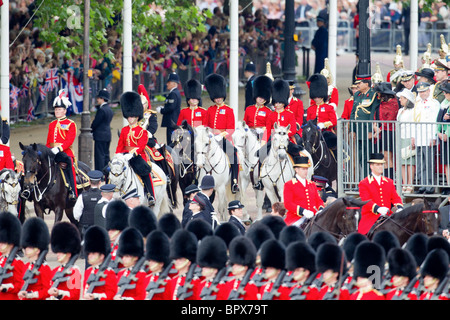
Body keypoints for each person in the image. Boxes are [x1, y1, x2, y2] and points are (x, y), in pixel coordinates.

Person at [116, 91, 155, 205]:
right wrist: (118, 155)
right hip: (125, 155)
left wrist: (132, 154)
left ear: (137, 116)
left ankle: (150, 194)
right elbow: (120, 145)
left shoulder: (142, 131)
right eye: (128, 116)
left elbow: (141, 146)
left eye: (132, 116)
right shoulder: (124, 130)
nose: (130, 118)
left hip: (138, 156)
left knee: (144, 171)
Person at [204, 73, 240, 193]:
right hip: (211, 138)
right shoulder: (210, 110)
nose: (218, 99)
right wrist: (209, 134)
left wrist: (220, 136)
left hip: (224, 139)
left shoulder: (229, 110)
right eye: (216, 97)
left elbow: (231, 128)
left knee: (233, 154)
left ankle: (234, 181)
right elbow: (206, 125)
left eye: (219, 97)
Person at [357, 153, 404, 235]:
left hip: (388, 215)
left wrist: (400, 208)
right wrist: (378, 209)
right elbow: (366, 200)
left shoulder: (389, 182)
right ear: (371, 166)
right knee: (366, 234)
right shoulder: (364, 183)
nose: (380, 167)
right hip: (370, 217)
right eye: (377, 165)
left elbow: (395, 197)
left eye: (381, 164)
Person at [46, 89, 78, 201]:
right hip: (52, 152)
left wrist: (59, 148)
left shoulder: (70, 124)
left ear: (64, 111)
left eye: (60, 109)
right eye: (56, 109)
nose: (57, 111)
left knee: (69, 166)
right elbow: (48, 141)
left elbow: (69, 140)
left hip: (65, 152)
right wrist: (48, 150)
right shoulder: (52, 124)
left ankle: (73, 192)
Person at [411, 82, 440, 194]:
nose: (422, 94)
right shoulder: (417, 103)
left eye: (424, 91)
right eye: (420, 92)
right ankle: (422, 185)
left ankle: (430, 186)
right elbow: (414, 121)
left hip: (428, 137)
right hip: (419, 137)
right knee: (420, 163)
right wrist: (413, 136)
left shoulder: (434, 103)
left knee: (429, 163)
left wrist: (433, 137)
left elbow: (434, 121)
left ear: (429, 91)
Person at [350, 74, 380, 179]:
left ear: (366, 84)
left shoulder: (373, 95)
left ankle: (369, 178)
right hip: (358, 130)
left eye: (360, 83)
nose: (357, 85)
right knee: (360, 157)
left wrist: (371, 130)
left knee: (368, 156)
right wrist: (352, 130)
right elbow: (353, 113)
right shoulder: (357, 95)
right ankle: (364, 179)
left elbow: (373, 113)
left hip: (367, 130)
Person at [283, 155, 324, 226]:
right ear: (296, 170)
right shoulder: (289, 184)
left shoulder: (312, 184)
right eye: (303, 169)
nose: (306, 171)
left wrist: (320, 210)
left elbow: (318, 200)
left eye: (306, 169)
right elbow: (288, 204)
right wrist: (303, 211)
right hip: (296, 218)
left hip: (313, 217)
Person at [18, 218, 52, 300]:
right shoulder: (25, 266)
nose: (26, 249)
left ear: (37, 250)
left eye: (29, 247)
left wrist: (32, 295)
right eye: (25, 247)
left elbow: (47, 291)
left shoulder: (44, 268)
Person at [47, 222, 82, 300]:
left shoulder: (74, 271)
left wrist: (59, 294)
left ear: (68, 254)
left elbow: (75, 295)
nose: (57, 254)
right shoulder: (55, 271)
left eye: (61, 252)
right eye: (57, 252)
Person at [82, 225, 118, 300]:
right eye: (89, 254)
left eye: (93, 254)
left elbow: (111, 294)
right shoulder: (88, 271)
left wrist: (96, 297)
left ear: (101, 256)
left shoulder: (109, 272)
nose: (90, 256)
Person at [163, 229, 199, 300]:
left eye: (180, 259)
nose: (176, 262)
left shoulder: (195, 282)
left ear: (188, 262)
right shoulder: (172, 281)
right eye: (176, 259)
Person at [373, 82, 399, 179]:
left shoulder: (393, 103)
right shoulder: (382, 103)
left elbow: (390, 118)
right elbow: (377, 115)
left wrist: (379, 129)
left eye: (379, 92)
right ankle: (385, 177)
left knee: (388, 157)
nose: (378, 94)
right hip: (381, 131)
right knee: (383, 157)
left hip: (389, 132)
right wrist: (375, 125)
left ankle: (390, 178)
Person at [114, 227, 147, 300]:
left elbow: (141, 297)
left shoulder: (142, 276)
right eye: (123, 256)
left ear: (135, 257)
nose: (123, 259)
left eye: (127, 256)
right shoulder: (121, 273)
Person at [222, 236, 259, 300]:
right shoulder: (229, 283)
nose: (233, 267)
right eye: (233, 264)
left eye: (237, 265)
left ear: (244, 267)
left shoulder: (250, 286)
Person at [193, 235, 228, 300]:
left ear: (214, 270)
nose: (203, 269)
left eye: (206, 267)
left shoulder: (222, 287)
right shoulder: (201, 284)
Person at [0, 212, 25, 300]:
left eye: (3, 243)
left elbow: (20, 284)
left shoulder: (17, 262)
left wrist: (7, 287)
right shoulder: (1, 258)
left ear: (10, 244)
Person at [396, 89, 416, 194]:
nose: (399, 100)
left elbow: (413, 124)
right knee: (403, 162)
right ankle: (404, 183)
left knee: (409, 162)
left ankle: (410, 184)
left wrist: (413, 137)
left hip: (409, 137)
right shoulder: (400, 110)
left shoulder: (412, 111)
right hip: (401, 137)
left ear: (407, 100)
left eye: (402, 98)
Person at [73, 170, 103, 239]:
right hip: (100, 230)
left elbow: (76, 215)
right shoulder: (103, 196)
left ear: (89, 182)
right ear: (100, 182)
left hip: (85, 230)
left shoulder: (82, 196)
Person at [91, 88, 114, 171]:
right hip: (107, 134)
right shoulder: (109, 110)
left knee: (99, 156)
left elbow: (96, 122)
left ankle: (100, 173)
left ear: (102, 99)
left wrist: (91, 129)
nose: (97, 99)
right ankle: (107, 172)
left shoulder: (101, 110)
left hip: (100, 135)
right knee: (106, 155)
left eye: (99, 98)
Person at [105, 199, 130, 271]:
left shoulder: (127, 246)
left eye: (113, 230)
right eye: (109, 230)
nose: (110, 233)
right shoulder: (107, 246)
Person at [157, 73, 182, 145]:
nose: (167, 84)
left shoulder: (173, 94)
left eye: (169, 82)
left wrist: (161, 110)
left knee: (171, 143)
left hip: (172, 122)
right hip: (173, 122)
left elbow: (171, 107)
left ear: (174, 84)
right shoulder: (175, 93)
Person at [438, 82, 450, 194]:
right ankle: (448, 184)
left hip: (449, 136)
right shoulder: (444, 103)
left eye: (446, 92)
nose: (444, 93)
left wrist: (447, 133)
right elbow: (439, 119)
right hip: (443, 136)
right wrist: (438, 132)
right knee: (446, 162)